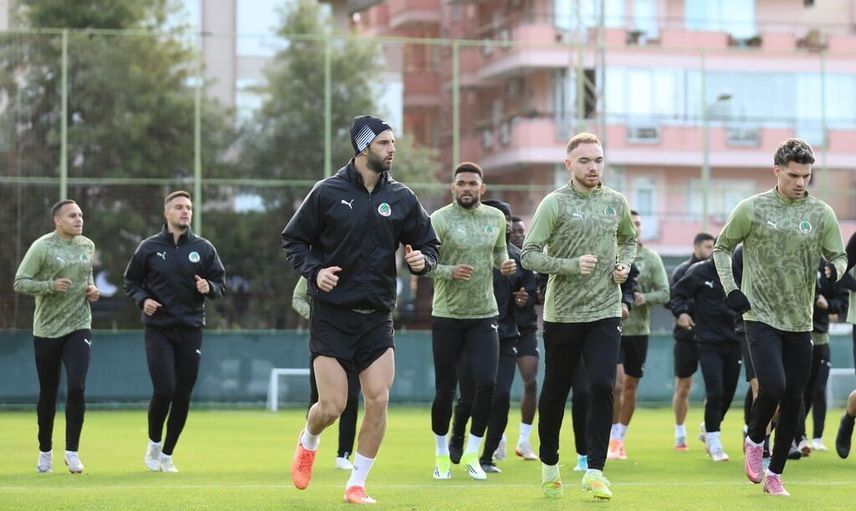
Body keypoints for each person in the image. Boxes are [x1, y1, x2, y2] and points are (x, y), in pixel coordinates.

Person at [282, 115, 439, 505]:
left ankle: (356, 484)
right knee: (332, 406)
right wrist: (315, 272)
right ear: (363, 147)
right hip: (332, 317)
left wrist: (423, 261)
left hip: (377, 318)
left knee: (379, 399)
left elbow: (429, 244)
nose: (392, 149)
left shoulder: (402, 197)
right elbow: (294, 240)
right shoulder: (326, 192)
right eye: (384, 142)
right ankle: (309, 439)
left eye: (393, 142)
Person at [712, 138, 847, 496]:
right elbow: (721, 248)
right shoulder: (752, 208)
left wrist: (834, 269)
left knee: (794, 400)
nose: (800, 182)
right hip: (759, 314)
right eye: (793, 175)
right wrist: (731, 289)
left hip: (800, 320)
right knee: (772, 386)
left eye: (806, 176)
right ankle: (755, 438)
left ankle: (775, 475)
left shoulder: (821, 213)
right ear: (777, 171)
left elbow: (840, 256)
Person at [521, 132, 636, 501]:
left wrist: (623, 265)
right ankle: (550, 464)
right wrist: (570, 265)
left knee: (603, 385)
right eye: (585, 161)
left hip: (605, 310)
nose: (593, 167)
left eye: (598, 160)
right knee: (557, 390)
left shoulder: (616, 202)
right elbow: (529, 255)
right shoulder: (554, 203)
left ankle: (595, 471)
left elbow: (629, 240)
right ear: (569, 164)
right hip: (563, 314)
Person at [124, 190, 227, 473]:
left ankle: (168, 454)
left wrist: (209, 287)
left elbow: (220, 284)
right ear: (167, 213)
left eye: (189, 207)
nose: (185, 211)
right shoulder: (149, 247)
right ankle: (154, 443)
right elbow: (131, 281)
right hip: (158, 329)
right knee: (164, 389)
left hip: (191, 329)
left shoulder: (204, 248)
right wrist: (143, 299)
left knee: (183, 394)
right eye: (179, 207)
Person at [426, 165, 516, 481]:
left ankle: (472, 454)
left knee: (487, 384)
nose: (466, 187)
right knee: (445, 389)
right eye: (461, 183)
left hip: (484, 314)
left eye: (472, 183)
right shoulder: (439, 219)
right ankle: (441, 455)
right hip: (447, 315)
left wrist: (505, 264)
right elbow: (425, 264)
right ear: (453, 188)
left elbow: (500, 252)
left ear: (482, 188)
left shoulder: (496, 218)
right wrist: (449, 271)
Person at [14, 199, 99, 474]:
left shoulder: (87, 245)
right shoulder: (42, 246)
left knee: (77, 387)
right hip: (47, 330)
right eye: (72, 216)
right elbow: (20, 282)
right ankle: (45, 453)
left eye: (81, 215)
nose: (79, 219)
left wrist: (92, 290)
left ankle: (72, 452)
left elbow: (88, 279)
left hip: (79, 325)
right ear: (57, 221)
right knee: (48, 393)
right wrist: (50, 285)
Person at [447, 199, 533, 473]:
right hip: (472, 331)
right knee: (468, 397)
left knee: (502, 395)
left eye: (508, 218)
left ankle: (486, 457)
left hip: (506, 335)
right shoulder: (473, 251)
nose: (505, 223)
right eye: (500, 217)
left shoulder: (518, 258)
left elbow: (529, 294)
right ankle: (457, 434)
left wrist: (524, 300)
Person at [608, 211, 669, 461]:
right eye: (631, 224)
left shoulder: (651, 258)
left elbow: (664, 292)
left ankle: (620, 438)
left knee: (631, 386)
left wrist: (645, 298)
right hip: (612, 328)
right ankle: (611, 436)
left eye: (638, 224)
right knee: (617, 384)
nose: (636, 228)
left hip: (639, 331)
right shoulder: (610, 253)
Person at [670, 253, 742, 461]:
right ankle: (714, 443)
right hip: (708, 342)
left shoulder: (739, 272)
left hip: (735, 340)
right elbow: (677, 294)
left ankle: (709, 427)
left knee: (728, 393)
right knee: (715, 392)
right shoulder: (700, 271)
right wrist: (681, 313)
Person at [292, 277, 360, 470]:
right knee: (318, 398)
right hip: (324, 339)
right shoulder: (317, 267)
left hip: (355, 340)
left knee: (351, 398)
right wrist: (316, 316)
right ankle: (308, 444)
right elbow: (297, 298)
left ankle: (343, 454)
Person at [793, 260, 849, 454]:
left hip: (820, 338)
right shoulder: (799, 261)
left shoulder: (832, 269)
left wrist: (827, 304)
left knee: (815, 390)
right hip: (798, 333)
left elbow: (841, 304)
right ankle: (798, 437)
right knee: (796, 389)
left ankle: (813, 437)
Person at [667, 232, 714, 450]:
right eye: (707, 247)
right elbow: (672, 298)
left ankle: (709, 427)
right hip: (686, 336)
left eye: (713, 247)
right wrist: (682, 314)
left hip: (711, 337)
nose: (711, 251)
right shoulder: (682, 271)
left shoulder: (717, 272)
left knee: (714, 388)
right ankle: (679, 432)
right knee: (684, 385)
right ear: (696, 247)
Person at [508, 216, 541, 461]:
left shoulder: (527, 260)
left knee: (530, 380)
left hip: (525, 329)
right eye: (515, 231)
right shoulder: (498, 257)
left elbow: (533, 294)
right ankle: (496, 439)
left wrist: (526, 299)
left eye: (522, 231)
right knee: (495, 388)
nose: (519, 234)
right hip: (499, 328)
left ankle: (523, 440)